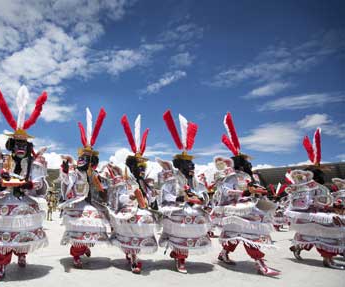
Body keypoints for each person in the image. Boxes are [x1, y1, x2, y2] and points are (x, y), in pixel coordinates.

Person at [0, 84, 49, 281]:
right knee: (2, 235)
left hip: (24, 201)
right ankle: (0, 266)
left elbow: (41, 186)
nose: (20, 147)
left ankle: (21, 254)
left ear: (28, 147)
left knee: (22, 232)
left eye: (23, 144)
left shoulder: (35, 163)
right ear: (11, 145)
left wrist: (32, 186)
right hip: (4, 202)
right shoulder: (1, 160)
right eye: (17, 143)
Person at [212, 112, 280, 276]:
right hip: (236, 209)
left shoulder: (250, 176)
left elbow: (252, 191)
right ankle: (260, 263)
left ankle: (224, 254)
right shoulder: (231, 176)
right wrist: (245, 191)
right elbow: (226, 192)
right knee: (251, 233)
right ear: (240, 164)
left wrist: (259, 192)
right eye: (246, 161)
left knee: (239, 235)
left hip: (248, 206)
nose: (249, 163)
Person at [157, 111, 211, 274]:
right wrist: (183, 197)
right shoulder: (172, 180)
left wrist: (200, 198)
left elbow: (203, 192)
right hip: (178, 209)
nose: (192, 167)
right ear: (180, 166)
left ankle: (179, 254)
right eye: (188, 165)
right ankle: (180, 259)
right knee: (182, 228)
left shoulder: (195, 180)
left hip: (193, 209)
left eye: (193, 164)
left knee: (196, 225)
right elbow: (165, 195)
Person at [106, 114, 158, 274]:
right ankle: (134, 257)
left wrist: (151, 195)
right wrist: (132, 197)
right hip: (129, 210)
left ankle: (133, 254)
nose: (142, 170)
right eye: (140, 167)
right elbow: (119, 197)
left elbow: (150, 199)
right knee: (134, 226)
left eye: (144, 167)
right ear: (133, 167)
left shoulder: (144, 181)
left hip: (142, 210)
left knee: (143, 225)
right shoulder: (126, 180)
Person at [286, 129, 344, 269]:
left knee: (315, 234)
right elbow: (306, 202)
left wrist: (330, 205)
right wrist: (325, 206)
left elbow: (321, 201)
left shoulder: (315, 187)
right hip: (309, 214)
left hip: (312, 214)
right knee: (328, 231)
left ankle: (298, 247)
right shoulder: (308, 187)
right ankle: (327, 258)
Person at [59, 107, 110, 268]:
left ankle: (85, 246)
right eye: (82, 158)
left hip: (93, 203)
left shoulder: (96, 174)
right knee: (80, 227)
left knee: (92, 225)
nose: (83, 161)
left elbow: (103, 187)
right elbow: (67, 181)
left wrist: (103, 190)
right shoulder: (75, 172)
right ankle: (76, 255)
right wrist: (65, 171)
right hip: (78, 203)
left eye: (87, 159)